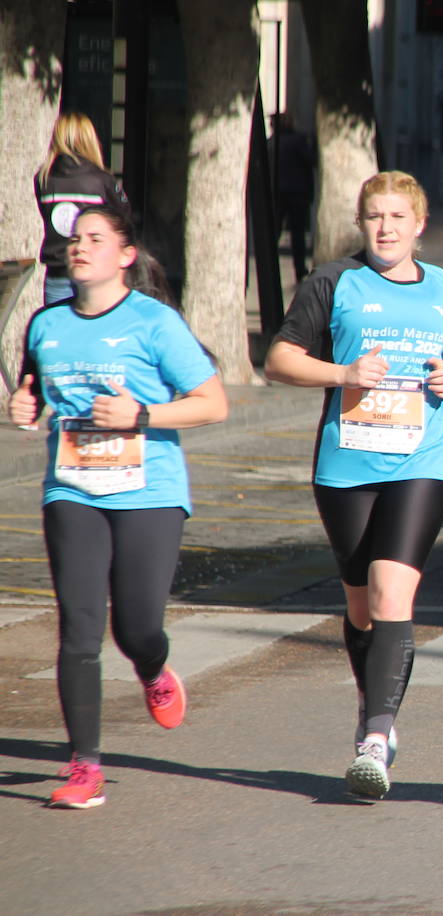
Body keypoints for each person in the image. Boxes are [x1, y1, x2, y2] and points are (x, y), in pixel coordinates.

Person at [264, 171, 443, 798]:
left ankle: (375, 740)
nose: (385, 228)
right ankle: (372, 702)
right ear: (362, 223)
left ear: (419, 225)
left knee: (391, 597)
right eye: (374, 217)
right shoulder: (334, 282)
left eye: (397, 218)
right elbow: (279, 360)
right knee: (359, 608)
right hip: (347, 464)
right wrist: (343, 371)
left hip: (424, 457)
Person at [10, 205, 227, 809]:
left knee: (136, 628)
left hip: (148, 492)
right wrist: (25, 411)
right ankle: (84, 767)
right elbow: (34, 394)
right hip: (72, 488)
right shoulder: (47, 324)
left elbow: (213, 403)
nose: (79, 248)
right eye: (75, 240)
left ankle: (154, 670)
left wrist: (143, 415)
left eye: (95, 239)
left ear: (126, 255)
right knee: (79, 627)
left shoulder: (155, 323)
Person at [34, 112, 131, 305]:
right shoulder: (102, 180)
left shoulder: (43, 179)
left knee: (60, 330)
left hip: (58, 269)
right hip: (96, 271)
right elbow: (123, 217)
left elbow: (46, 217)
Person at [269, 113, 315, 282]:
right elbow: (311, 161)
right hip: (297, 193)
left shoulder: (271, 143)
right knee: (298, 234)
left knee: (274, 233)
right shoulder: (298, 141)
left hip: (276, 194)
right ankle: (299, 270)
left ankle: (269, 269)